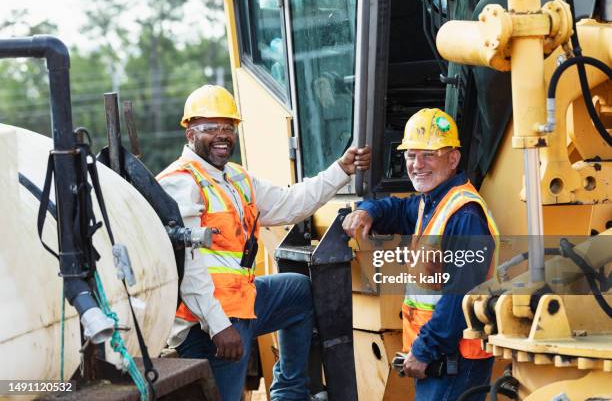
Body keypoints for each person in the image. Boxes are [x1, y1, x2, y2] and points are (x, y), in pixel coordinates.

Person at [157, 84, 371, 401]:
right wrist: (219, 327)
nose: (221, 135)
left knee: (298, 292)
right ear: (190, 133)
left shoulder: (236, 178)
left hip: (242, 301)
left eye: (227, 128)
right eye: (210, 128)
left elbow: (291, 202)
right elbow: (190, 267)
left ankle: (288, 393)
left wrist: (340, 170)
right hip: (209, 321)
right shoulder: (179, 183)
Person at [342, 108, 498, 401]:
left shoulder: (464, 214)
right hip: (439, 362)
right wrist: (368, 210)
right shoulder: (432, 202)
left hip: (454, 362)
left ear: (453, 159)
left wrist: (424, 350)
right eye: (411, 155)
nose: (417, 165)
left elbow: (459, 297)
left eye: (428, 155)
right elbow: (398, 209)